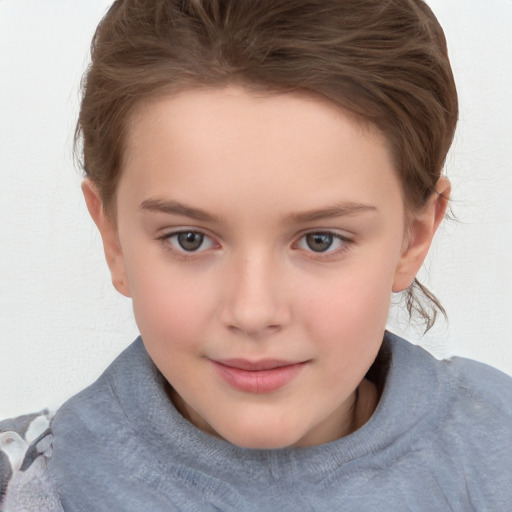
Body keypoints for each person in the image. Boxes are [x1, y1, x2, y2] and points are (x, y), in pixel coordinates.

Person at [1, 0, 511, 510]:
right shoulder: (28, 486)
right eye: (190, 239)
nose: (253, 312)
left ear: (414, 237)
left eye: (320, 240)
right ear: (112, 237)